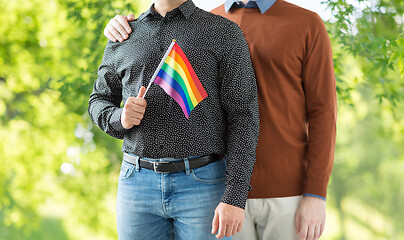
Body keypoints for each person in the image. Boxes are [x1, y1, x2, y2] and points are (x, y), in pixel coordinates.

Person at [103, 0, 337, 240]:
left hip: (283, 191)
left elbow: (323, 112)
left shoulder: (305, 23)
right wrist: (118, 25)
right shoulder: (207, 20)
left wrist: (315, 193)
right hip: (217, 189)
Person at [89, 0, 259, 239]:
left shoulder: (223, 32)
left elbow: (244, 117)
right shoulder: (124, 33)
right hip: (135, 184)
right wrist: (120, 118)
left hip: (204, 183)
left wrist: (235, 196)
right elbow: (98, 100)